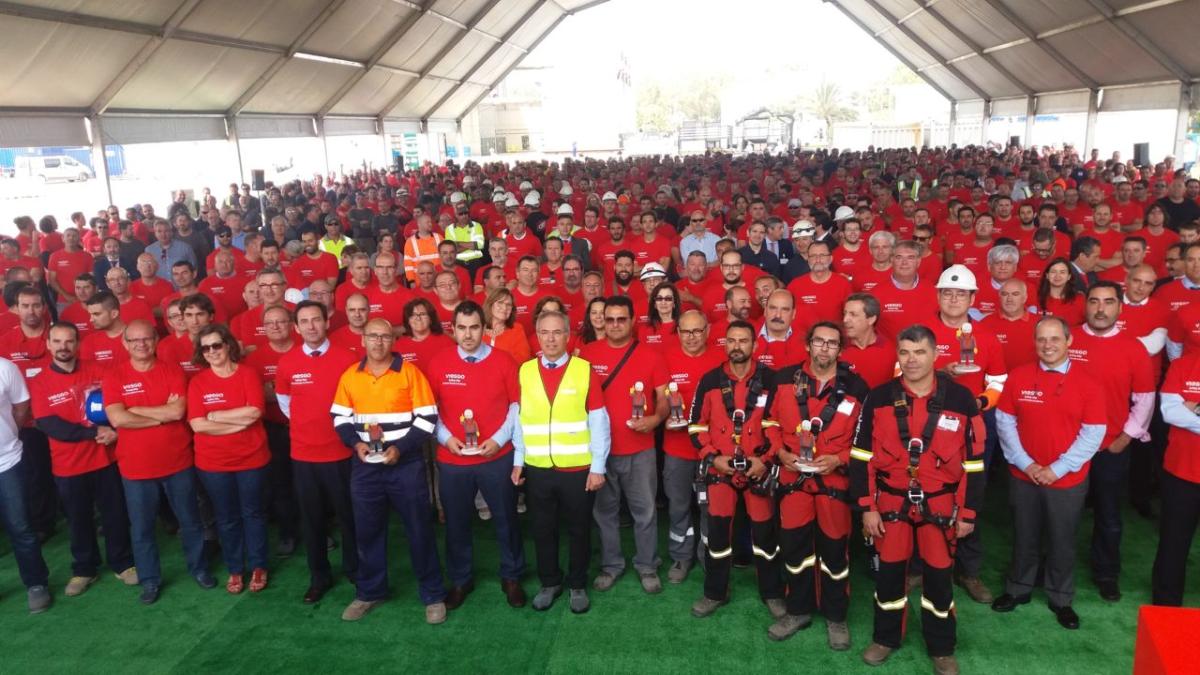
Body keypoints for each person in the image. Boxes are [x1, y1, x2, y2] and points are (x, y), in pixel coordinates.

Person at [851, 325, 985, 675]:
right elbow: (861, 456)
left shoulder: (960, 399)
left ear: (936, 355)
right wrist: (867, 507)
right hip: (891, 504)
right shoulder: (878, 397)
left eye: (920, 352)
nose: (911, 360)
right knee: (890, 576)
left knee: (940, 578)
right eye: (905, 352)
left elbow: (974, 462)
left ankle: (942, 647)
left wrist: (967, 512)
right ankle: (885, 638)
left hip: (941, 506)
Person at [331, 317, 447, 623]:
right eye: (373, 336)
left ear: (393, 341)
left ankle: (433, 594)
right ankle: (370, 591)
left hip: (405, 465)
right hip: (365, 467)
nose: (379, 342)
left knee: (419, 528)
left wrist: (401, 448)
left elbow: (426, 419)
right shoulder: (350, 376)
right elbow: (341, 418)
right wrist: (356, 444)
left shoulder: (410, 373)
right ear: (363, 340)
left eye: (384, 337)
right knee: (367, 531)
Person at [992, 316, 1105, 630]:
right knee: (1024, 534)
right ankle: (1018, 588)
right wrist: (1026, 463)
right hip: (1023, 475)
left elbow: (1093, 434)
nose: (1048, 345)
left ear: (1069, 341)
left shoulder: (1089, 383)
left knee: (1062, 539)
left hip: (1067, 479)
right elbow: (1005, 423)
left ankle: (1060, 597)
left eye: (1055, 339)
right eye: (1041, 339)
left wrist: (1056, 469)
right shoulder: (1019, 376)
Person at [766, 322, 869, 647]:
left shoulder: (857, 387)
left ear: (840, 349)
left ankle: (836, 617)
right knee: (794, 549)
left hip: (834, 484)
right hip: (792, 479)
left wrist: (839, 459)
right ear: (808, 345)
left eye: (832, 344)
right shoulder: (783, 378)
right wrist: (779, 451)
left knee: (835, 552)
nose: (824, 348)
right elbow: (769, 422)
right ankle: (797, 610)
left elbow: (866, 439)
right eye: (819, 342)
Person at [102, 320, 211, 604]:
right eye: (135, 340)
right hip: (135, 467)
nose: (141, 344)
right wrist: (158, 413)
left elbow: (177, 412)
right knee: (142, 528)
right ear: (125, 344)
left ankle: (199, 569)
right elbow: (117, 418)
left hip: (177, 461)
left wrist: (136, 410)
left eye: (147, 339)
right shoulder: (114, 377)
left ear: (155, 341)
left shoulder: (172, 371)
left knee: (190, 521)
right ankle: (150, 580)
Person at [427, 302, 526, 609]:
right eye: (461, 328)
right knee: (456, 523)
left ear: (484, 328)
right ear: (452, 330)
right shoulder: (438, 363)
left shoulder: (505, 361)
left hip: (497, 457)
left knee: (506, 519)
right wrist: (445, 438)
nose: (468, 334)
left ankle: (512, 576)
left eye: (474, 327)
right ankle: (460, 579)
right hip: (453, 460)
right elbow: (430, 410)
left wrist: (499, 439)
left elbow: (517, 406)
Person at [511, 310, 610, 614]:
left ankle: (577, 584)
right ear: (537, 336)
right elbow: (520, 420)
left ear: (568, 336)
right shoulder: (525, 371)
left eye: (557, 332)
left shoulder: (584, 370)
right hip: (538, 467)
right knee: (542, 528)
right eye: (544, 332)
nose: (551, 338)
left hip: (577, 470)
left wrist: (598, 467)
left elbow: (599, 421)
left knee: (579, 529)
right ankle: (550, 581)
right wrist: (518, 460)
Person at [31, 322, 137, 598]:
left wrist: (113, 429)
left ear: (78, 344)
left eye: (68, 341)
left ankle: (123, 563)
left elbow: (119, 404)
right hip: (68, 465)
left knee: (115, 514)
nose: (63, 347)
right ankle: (84, 569)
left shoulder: (100, 371)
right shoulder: (41, 381)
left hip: (105, 459)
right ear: (48, 345)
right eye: (57, 342)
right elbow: (50, 424)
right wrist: (94, 432)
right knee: (78, 520)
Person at [689, 320, 784, 620]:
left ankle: (772, 593)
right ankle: (714, 592)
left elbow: (781, 424)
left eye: (743, 340)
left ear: (755, 345)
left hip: (759, 470)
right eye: (731, 340)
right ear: (725, 344)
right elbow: (695, 426)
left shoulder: (772, 379)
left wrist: (766, 461)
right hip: (721, 471)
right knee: (717, 536)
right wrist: (712, 457)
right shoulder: (710, 380)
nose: (737, 346)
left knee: (766, 537)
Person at [1068, 281, 1155, 602]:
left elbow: (1145, 399)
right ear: (1086, 305)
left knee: (1108, 513)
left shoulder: (1134, 348)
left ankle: (1106, 572)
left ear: (1120, 307)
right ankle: (1050, 566)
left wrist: (1124, 439)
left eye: (1108, 302)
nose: (1100, 308)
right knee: (1062, 512)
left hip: (1109, 447)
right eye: (1094, 301)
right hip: (1067, 446)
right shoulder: (1068, 339)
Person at [579, 295, 669, 594]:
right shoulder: (587, 355)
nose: (615, 325)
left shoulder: (651, 356)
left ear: (632, 321)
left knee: (645, 512)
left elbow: (664, 397)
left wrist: (655, 420)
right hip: (601, 453)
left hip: (641, 450)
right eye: (609, 319)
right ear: (601, 321)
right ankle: (611, 565)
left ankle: (647, 565)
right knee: (605, 513)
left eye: (621, 319)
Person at [274, 301, 359, 604]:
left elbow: (356, 402)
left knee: (349, 517)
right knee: (312, 521)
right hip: (304, 455)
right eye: (304, 322)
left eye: (316, 320)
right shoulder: (287, 363)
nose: (311, 326)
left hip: (340, 452)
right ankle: (319, 577)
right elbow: (285, 404)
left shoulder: (347, 359)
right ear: (296, 328)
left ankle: (355, 569)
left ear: (326, 323)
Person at [187, 324, 271, 595]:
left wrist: (216, 415)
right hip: (214, 464)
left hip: (252, 458)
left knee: (254, 513)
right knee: (226, 518)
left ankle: (258, 565)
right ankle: (235, 568)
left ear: (228, 345)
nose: (212, 351)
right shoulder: (198, 382)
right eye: (206, 347)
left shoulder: (247, 374)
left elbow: (255, 412)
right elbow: (198, 425)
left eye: (216, 345)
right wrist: (236, 420)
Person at [241, 304, 300, 556]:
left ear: (291, 324)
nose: (275, 327)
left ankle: (315, 528)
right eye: (270, 323)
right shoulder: (254, 360)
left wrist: (273, 388)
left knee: (307, 483)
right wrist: (289, 388)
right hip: (273, 429)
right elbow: (256, 397)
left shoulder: (304, 351)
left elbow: (314, 391)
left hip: (304, 428)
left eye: (281, 321)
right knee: (280, 483)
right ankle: (288, 532)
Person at [0, 351, 51, 613]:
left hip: (7, 461)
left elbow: (21, 407)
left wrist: (8, 434)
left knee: (20, 527)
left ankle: (36, 583)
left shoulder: (5, 367)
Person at [1153, 349, 1200, 605]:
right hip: (1181, 472)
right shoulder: (1183, 365)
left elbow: (1183, 413)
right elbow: (1170, 413)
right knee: (1173, 542)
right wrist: (1184, 414)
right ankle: (1165, 604)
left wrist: (1192, 412)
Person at [483, 288, 532, 363]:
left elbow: (523, 359)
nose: (505, 308)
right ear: (490, 304)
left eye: (508, 305)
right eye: (500, 303)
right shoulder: (478, 330)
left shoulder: (516, 329)